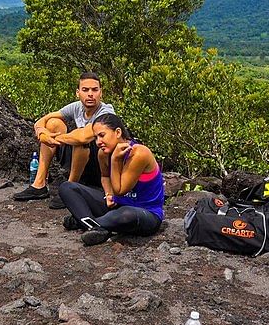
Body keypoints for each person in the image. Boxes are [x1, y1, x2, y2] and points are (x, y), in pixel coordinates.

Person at [59, 113, 164, 246]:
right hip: (116, 205)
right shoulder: (103, 153)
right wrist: (108, 194)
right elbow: (105, 176)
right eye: (96, 138)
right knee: (67, 187)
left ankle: (84, 222)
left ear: (118, 132)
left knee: (125, 214)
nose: (98, 142)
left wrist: (115, 160)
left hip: (145, 212)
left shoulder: (139, 153)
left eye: (102, 135)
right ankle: (96, 226)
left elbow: (120, 190)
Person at [13, 72, 115, 209]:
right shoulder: (77, 107)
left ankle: (70, 189)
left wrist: (52, 138)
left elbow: (83, 137)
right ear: (78, 93)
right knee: (53, 123)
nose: (90, 94)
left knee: (80, 140)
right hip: (79, 161)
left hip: (100, 166)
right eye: (85, 90)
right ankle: (39, 184)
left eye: (94, 90)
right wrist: (41, 132)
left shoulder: (106, 112)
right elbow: (44, 119)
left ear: (101, 93)